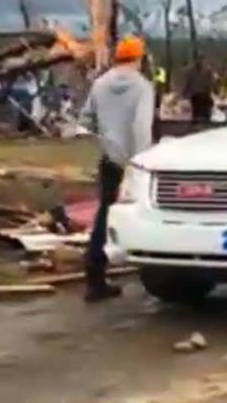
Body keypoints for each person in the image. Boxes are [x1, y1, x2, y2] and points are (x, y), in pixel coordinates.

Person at [77, 36, 154, 302]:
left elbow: (85, 120)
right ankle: (154, 271)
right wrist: (141, 161)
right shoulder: (143, 87)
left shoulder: (100, 84)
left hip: (110, 158)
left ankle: (94, 276)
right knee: (147, 214)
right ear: (138, 58)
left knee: (105, 215)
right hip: (135, 161)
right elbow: (142, 127)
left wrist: (105, 136)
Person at [183, 56, 216, 123]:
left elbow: (210, 84)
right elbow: (187, 84)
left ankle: (203, 123)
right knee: (197, 115)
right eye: (198, 59)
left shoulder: (207, 71)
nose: (199, 61)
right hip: (196, 96)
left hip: (204, 96)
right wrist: (185, 94)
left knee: (204, 115)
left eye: (201, 59)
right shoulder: (190, 71)